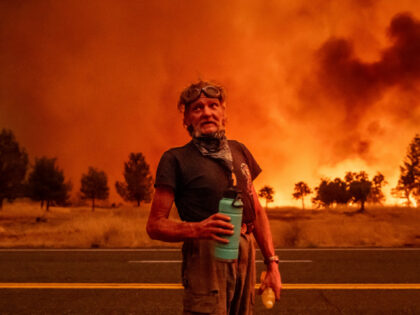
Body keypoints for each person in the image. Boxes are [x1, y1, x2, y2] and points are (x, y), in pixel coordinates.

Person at [146, 80, 281, 314]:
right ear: (186, 119)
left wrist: (272, 264)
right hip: (205, 255)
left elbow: (257, 212)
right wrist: (198, 229)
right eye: (197, 108)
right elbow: (155, 225)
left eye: (213, 105)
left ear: (223, 113)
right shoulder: (176, 159)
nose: (207, 112)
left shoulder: (240, 150)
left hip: (245, 251)